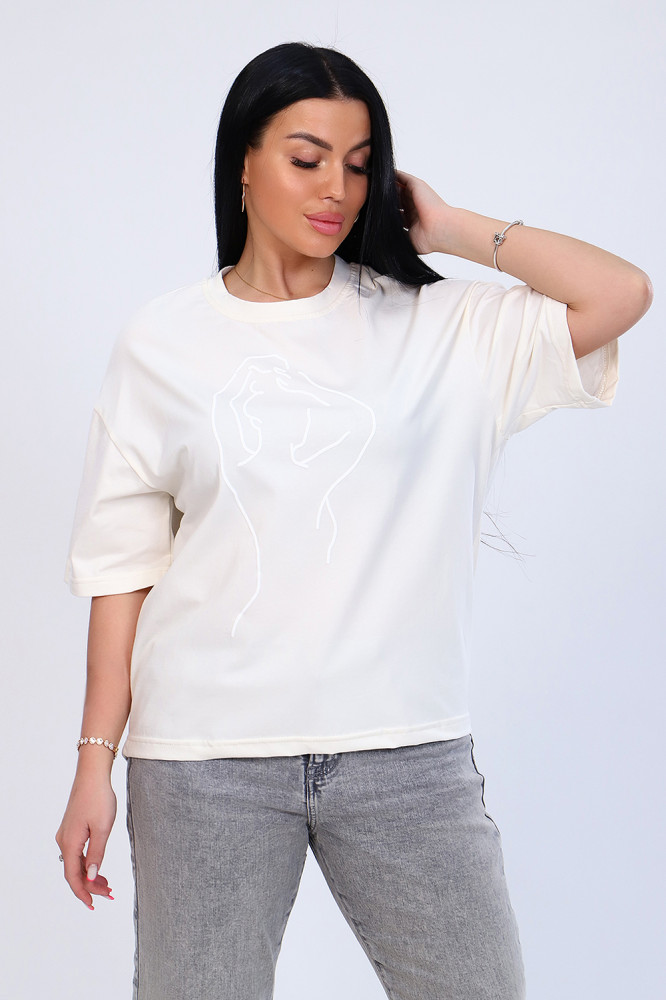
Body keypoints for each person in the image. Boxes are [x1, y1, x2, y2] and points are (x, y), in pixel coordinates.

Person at [55, 41, 652, 1000]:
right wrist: (95, 764)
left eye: (360, 163)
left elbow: (620, 294)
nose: (336, 187)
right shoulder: (163, 341)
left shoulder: (438, 327)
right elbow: (122, 567)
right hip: (205, 761)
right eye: (307, 158)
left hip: (406, 753)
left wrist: (447, 226)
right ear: (243, 164)